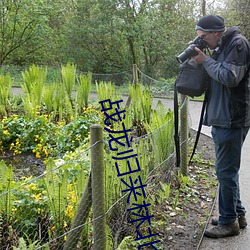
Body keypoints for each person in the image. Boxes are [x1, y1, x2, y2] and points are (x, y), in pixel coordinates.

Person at [192, 15, 250, 238]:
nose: (203, 41)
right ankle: (237, 214)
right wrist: (202, 60)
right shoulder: (221, 46)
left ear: (216, 32)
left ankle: (228, 223)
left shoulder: (238, 44)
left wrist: (205, 61)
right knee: (227, 171)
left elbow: (229, 77)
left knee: (225, 171)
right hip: (222, 117)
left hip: (232, 118)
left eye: (204, 37)